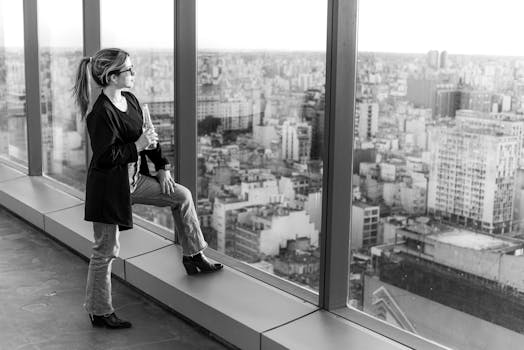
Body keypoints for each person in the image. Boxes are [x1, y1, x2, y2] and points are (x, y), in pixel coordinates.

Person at [72, 48, 222, 329]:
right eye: (129, 70)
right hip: (109, 188)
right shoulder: (100, 114)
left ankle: (194, 255)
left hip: (133, 181)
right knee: (106, 250)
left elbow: (148, 137)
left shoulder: (131, 100)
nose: (133, 73)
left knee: (181, 196)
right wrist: (137, 146)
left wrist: (162, 167)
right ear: (113, 76)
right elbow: (105, 157)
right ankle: (99, 310)